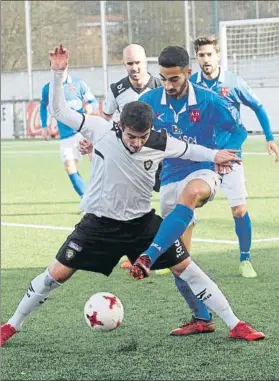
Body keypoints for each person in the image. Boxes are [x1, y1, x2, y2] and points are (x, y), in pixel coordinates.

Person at [1, 43, 263, 347]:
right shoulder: (99, 128)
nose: (137, 143)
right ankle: (10, 325)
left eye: (142, 137)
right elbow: (60, 110)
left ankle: (235, 323)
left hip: (141, 224)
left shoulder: (158, 141)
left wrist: (218, 154)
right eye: (131, 136)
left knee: (187, 268)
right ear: (120, 126)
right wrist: (58, 74)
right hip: (98, 224)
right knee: (55, 274)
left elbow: (193, 150)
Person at [134, 45, 251, 336]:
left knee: (191, 193)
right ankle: (202, 318)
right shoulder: (148, 101)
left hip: (203, 170)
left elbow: (238, 130)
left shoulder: (210, 101)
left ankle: (148, 255)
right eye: (163, 78)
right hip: (169, 176)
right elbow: (123, 129)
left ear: (188, 72)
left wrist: (226, 152)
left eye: (174, 79)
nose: (169, 85)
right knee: (179, 261)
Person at [190, 34, 279, 278]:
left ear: (218, 56)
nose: (206, 59)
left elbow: (258, 107)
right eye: (201, 55)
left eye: (210, 54)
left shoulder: (234, 82)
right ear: (196, 58)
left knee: (239, 209)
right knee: (185, 205)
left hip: (231, 155)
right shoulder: (191, 84)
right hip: (203, 154)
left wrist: (269, 138)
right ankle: (178, 257)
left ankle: (245, 258)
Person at [102, 43, 162, 270]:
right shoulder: (116, 89)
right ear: (124, 64)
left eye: (138, 62)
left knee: (167, 200)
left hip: (158, 154)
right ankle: (136, 253)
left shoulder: (160, 85)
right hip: (128, 157)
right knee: (130, 203)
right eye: (130, 63)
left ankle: (163, 251)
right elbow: (106, 119)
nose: (134, 67)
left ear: (146, 62)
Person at [40, 63, 99, 200]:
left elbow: (93, 101)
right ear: (52, 69)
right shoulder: (48, 88)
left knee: (96, 162)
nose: (60, 70)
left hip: (83, 131)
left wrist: (90, 107)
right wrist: (44, 126)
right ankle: (86, 199)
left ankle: (103, 195)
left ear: (67, 67)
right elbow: (43, 106)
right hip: (66, 136)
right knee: (70, 167)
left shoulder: (79, 84)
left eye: (63, 67)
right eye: (56, 68)